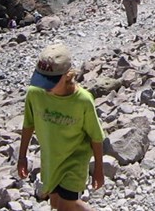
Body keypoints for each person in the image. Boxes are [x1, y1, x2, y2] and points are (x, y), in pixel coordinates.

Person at [17, 43, 105, 211]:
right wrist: (22, 157)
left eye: (50, 81)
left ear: (67, 76)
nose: (44, 86)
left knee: (64, 207)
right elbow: (28, 124)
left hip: (74, 162)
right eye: (41, 80)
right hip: (51, 160)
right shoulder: (35, 93)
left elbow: (96, 136)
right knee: (57, 203)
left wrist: (99, 169)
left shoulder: (83, 101)